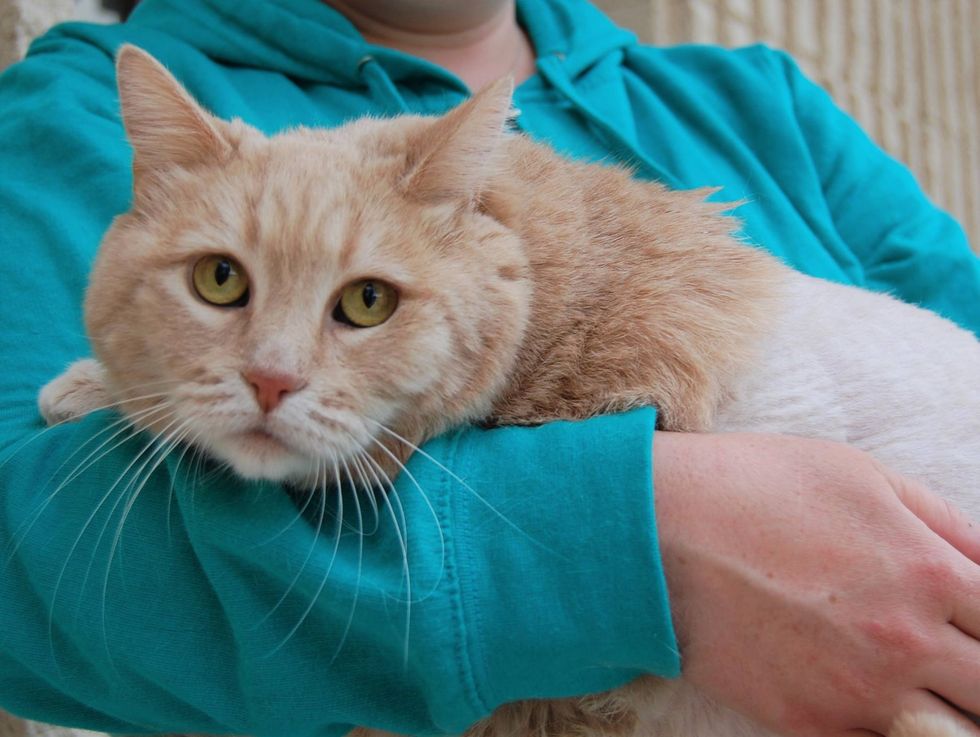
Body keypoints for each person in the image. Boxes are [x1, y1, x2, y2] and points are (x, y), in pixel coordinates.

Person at [0, 1, 978, 736]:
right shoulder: (84, 96)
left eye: (363, 300)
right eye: (223, 279)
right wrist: (639, 539)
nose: (274, 370)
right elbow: (27, 559)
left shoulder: (759, 100)